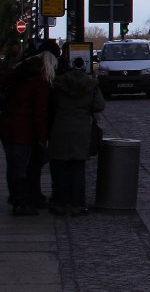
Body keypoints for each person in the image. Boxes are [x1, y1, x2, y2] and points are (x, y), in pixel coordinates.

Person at [48, 56, 105, 217]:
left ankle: (60, 203)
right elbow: (100, 105)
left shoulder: (58, 84)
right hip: (81, 130)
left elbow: (50, 106)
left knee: (59, 168)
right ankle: (78, 204)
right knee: (78, 169)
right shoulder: (90, 85)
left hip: (60, 129)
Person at [1, 51, 53, 216]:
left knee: (14, 167)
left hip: (8, 128)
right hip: (24, 131)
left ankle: (17, 199)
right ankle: (22, 202)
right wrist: (42, 137)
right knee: (23, 168)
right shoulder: (39, 83)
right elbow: (40, 112)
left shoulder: (15, 79)